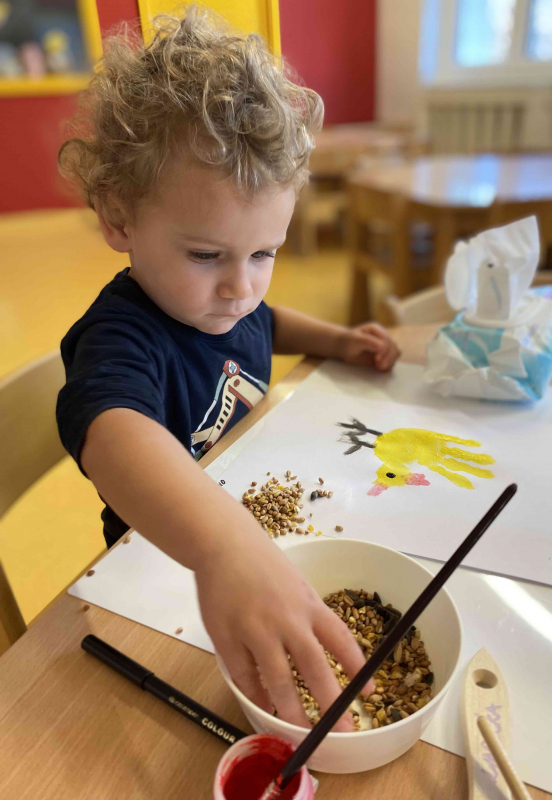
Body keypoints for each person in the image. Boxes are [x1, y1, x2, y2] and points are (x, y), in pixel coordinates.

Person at [57, 7, 399, 731]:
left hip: (250, 527)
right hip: (161, 562)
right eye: (207, 255)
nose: (240, 286)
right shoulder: (121, 336)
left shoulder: (226, 301)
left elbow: (264, 322)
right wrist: (224, 549)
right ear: (119, 217)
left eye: (265, 253)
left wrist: (337, 340)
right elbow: (112, 431)